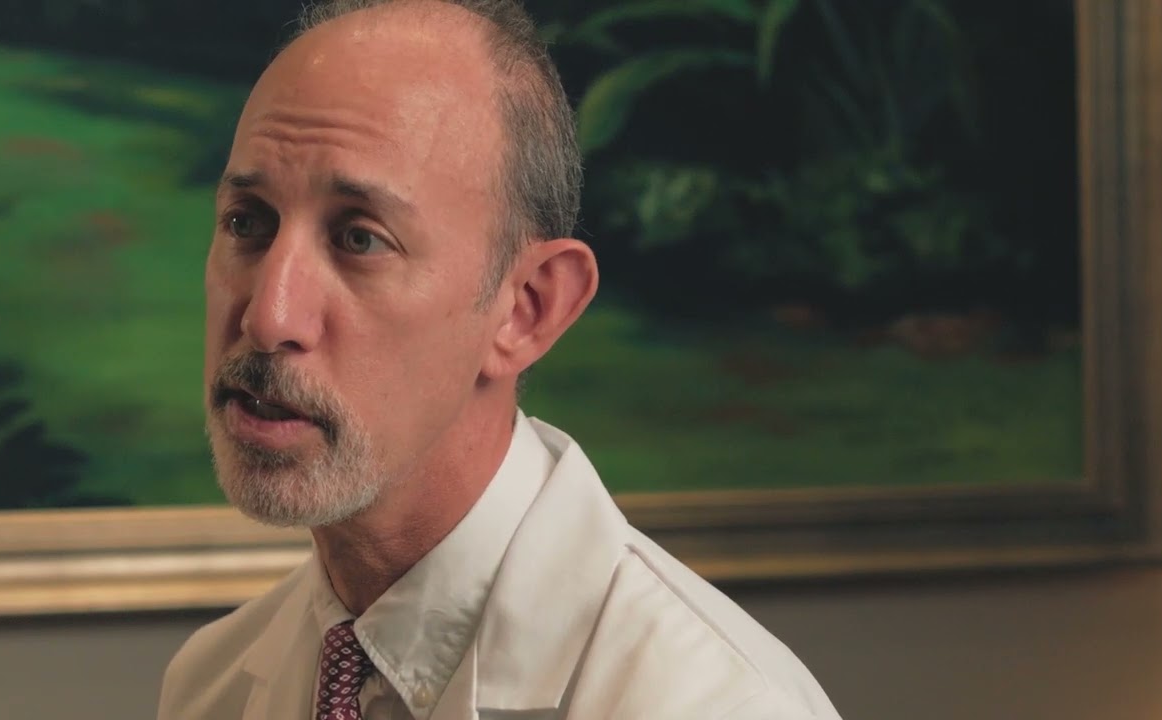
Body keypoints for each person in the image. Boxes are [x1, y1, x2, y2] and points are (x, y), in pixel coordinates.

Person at [157, 1, 843, 718]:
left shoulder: (719, 704)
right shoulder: (210, 685)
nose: (268, 317)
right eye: (247, 222)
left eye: (359, 239)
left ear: (527, 308)